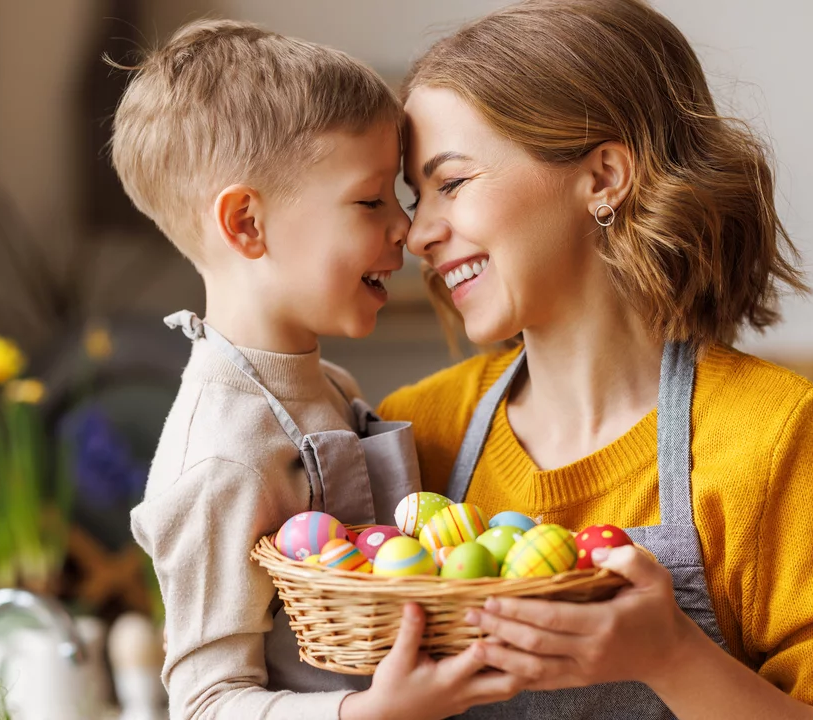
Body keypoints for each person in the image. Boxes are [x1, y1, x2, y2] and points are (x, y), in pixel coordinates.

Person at [381, 1, 813, 718]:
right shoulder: (415, 429)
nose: (418, 233)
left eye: (450, 183)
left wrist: (671, 656)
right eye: (415, 198)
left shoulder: (774, 437)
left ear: (604, 176)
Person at [116, 19, 523, 720]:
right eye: (371, 201)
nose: (406, 226)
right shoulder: (223, 457)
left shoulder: (331, 387)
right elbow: (205, 702)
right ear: (247, 223)